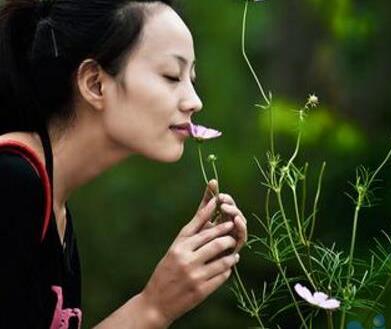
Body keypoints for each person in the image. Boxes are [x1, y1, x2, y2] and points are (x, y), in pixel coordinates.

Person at [0, 1, 248, 328]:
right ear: (94, 83)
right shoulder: (11, 184)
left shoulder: (53, 209)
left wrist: (165, 299)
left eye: (191, 77)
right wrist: (153, 307)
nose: (194, 101)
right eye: (171, 76)